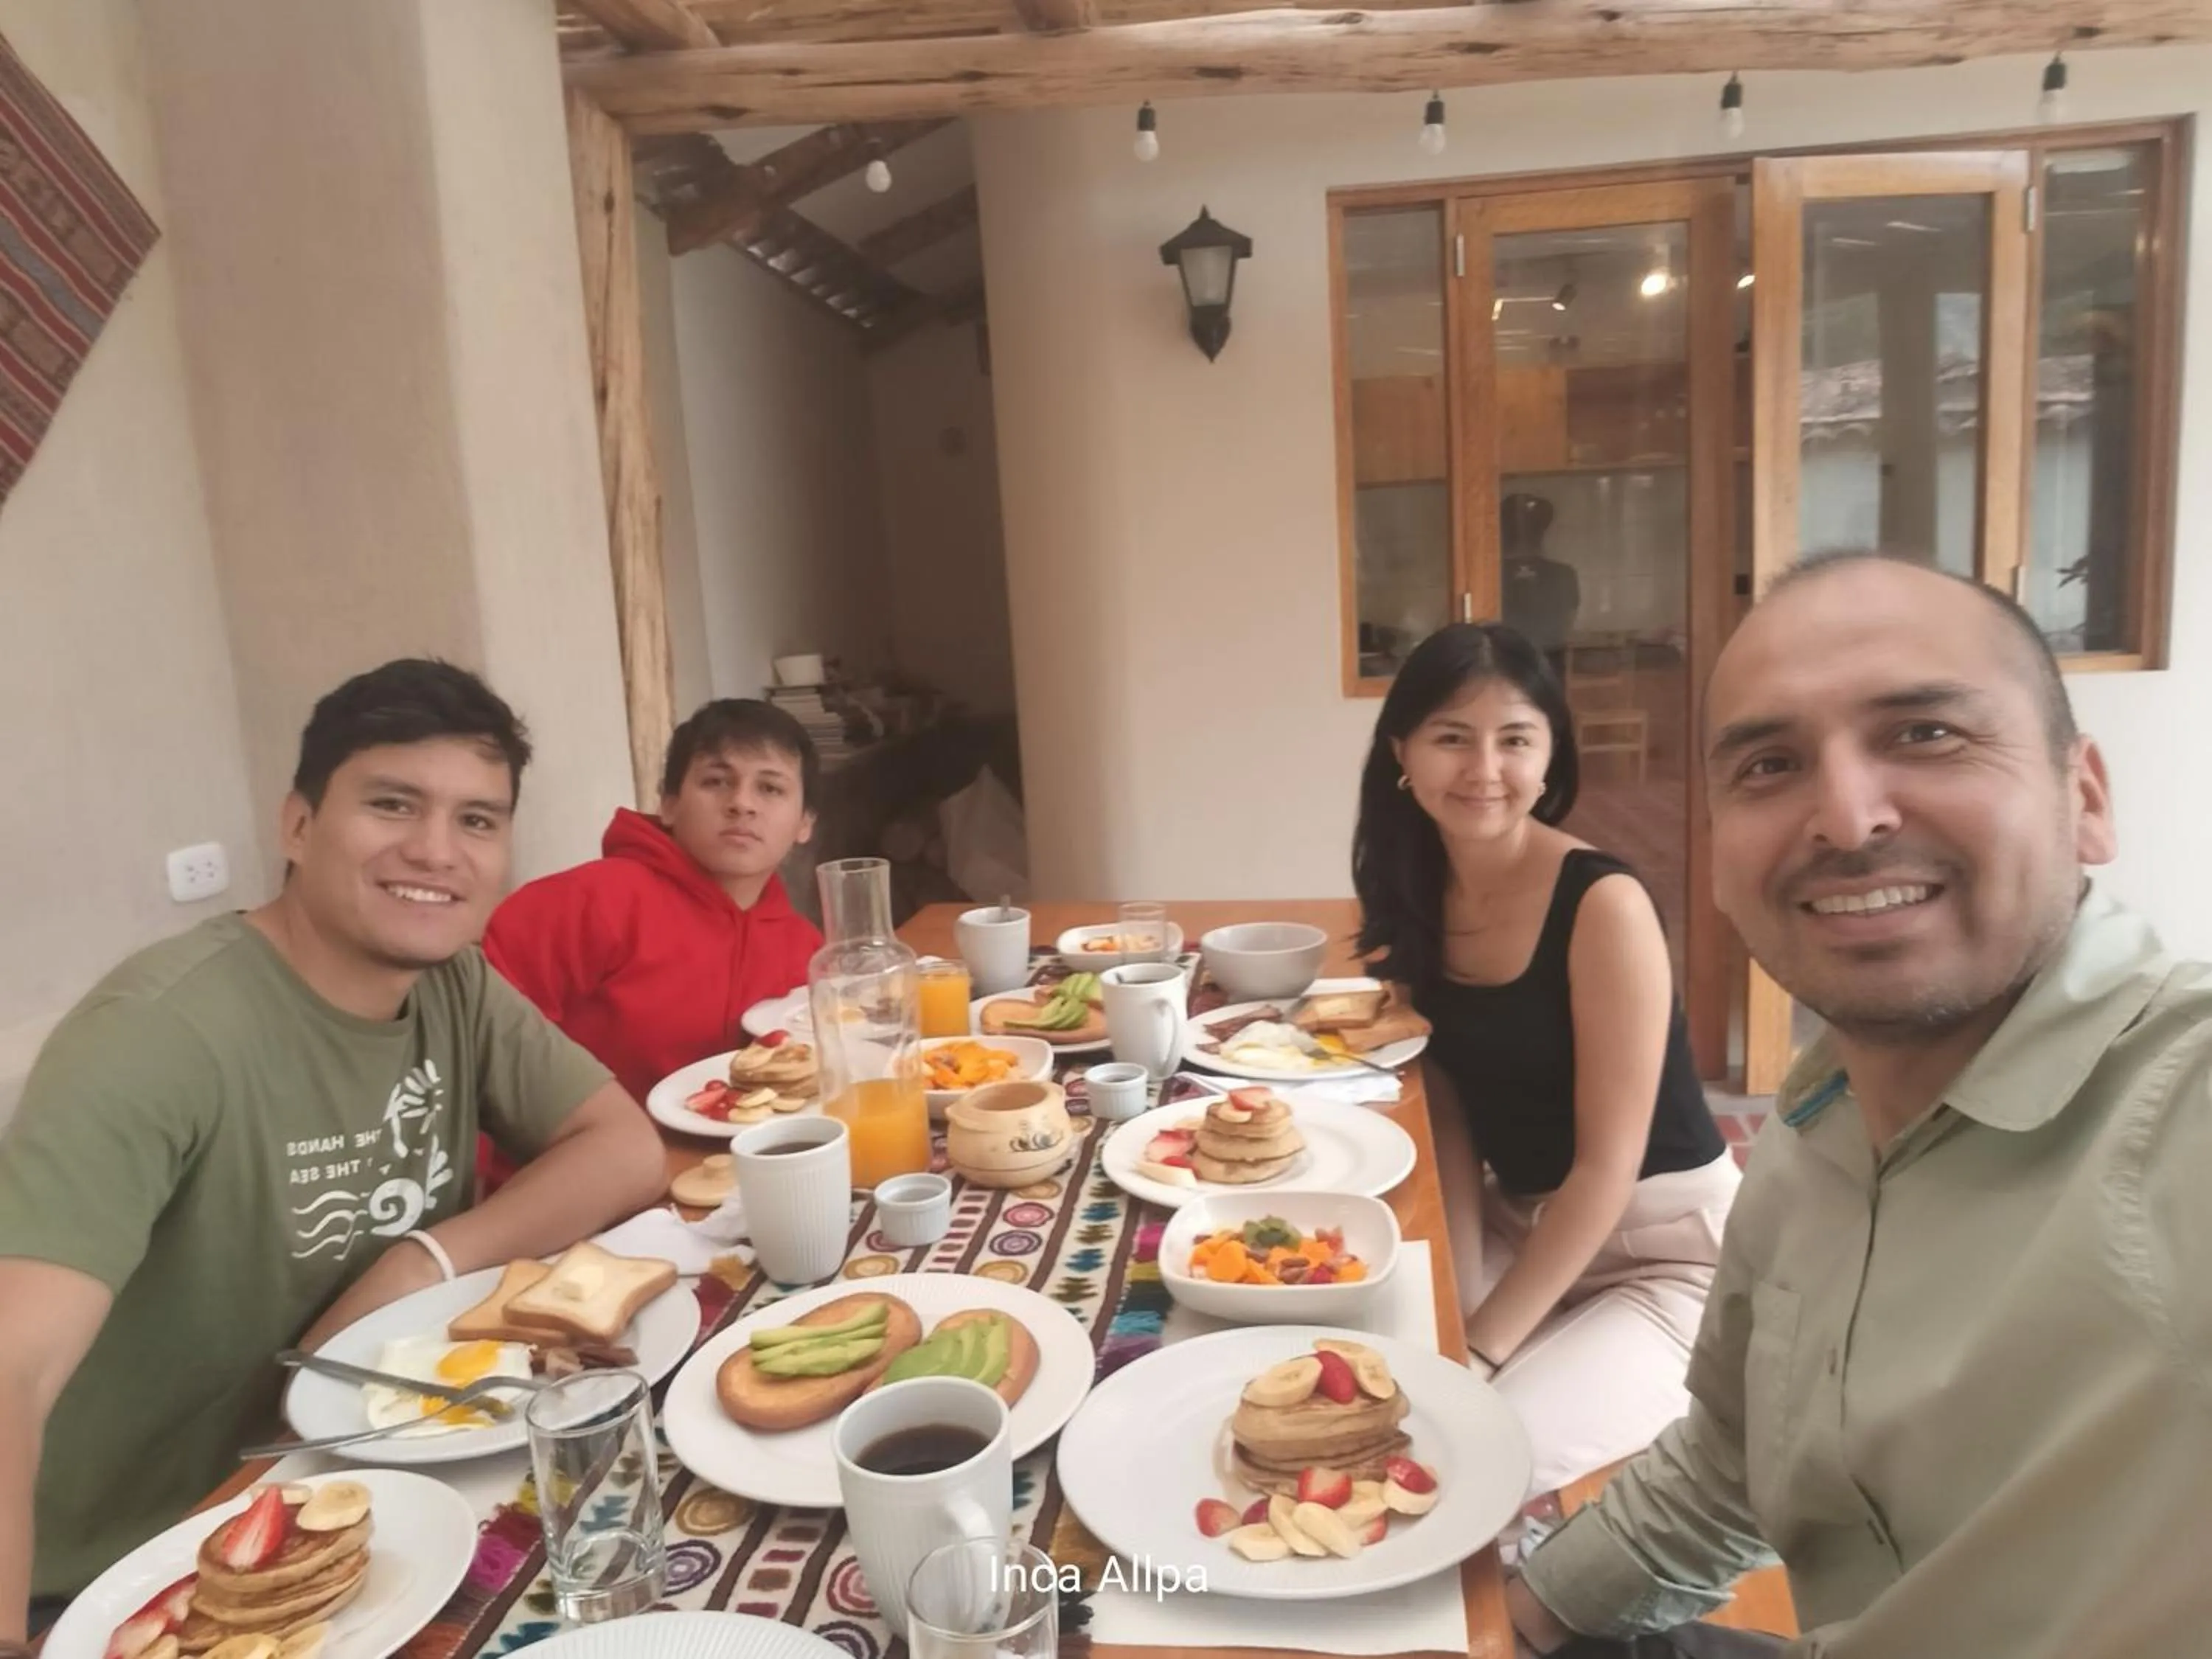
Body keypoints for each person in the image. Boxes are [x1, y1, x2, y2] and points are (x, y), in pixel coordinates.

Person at [1507, 552, 2212, 1658]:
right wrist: (1515, 1625)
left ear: (2086, 798)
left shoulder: (2181, 1109)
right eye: (1771, 763)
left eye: (1926, 733)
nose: (1845, 815)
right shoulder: (1804, 1137)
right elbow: (1725, 1469)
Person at [0, 661, 667, 1644]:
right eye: (393, 804)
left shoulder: (454, 988)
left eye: (477, 820)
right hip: (141, 1572)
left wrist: (422, 1258)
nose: (436, 850)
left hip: (367, 1498)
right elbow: (12, 1365)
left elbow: (624, 1148)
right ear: (298, 825)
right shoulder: (156, 1033)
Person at [1352, 622, 1738, 1496]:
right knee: (1375, 1354)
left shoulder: (1605, 903)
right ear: (1402, 752)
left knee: (1457, 1464)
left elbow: (1607, 1166)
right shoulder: (1413, 884)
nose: (1485, 769)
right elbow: (1446, 1101)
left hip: (1666, 1250)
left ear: (1551, 755)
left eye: (1515, 739)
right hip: (1525, 1220)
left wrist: (1481, 1345)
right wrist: (1452, 1281)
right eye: (1453, 737)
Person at [483, 698, 823, 1119]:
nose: (742, 803)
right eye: (716, 781)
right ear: (669, 804)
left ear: (805, 822)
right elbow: (480, 1062)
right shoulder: (586, 902)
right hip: (580, 1171)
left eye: (770, 788)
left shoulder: (805, 949)